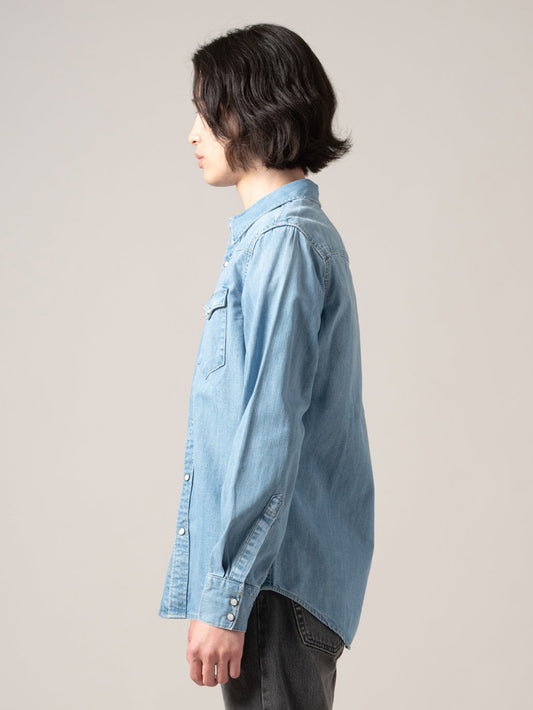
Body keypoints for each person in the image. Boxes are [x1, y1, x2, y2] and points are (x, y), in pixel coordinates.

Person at [158, 22, 375, 710]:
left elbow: (269, 429)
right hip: (270, 582)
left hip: (272, 587)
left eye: (205, 112)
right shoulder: (274, 242)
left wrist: (226, 597)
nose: (193, 134)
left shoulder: (284, 245)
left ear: (248, 111)